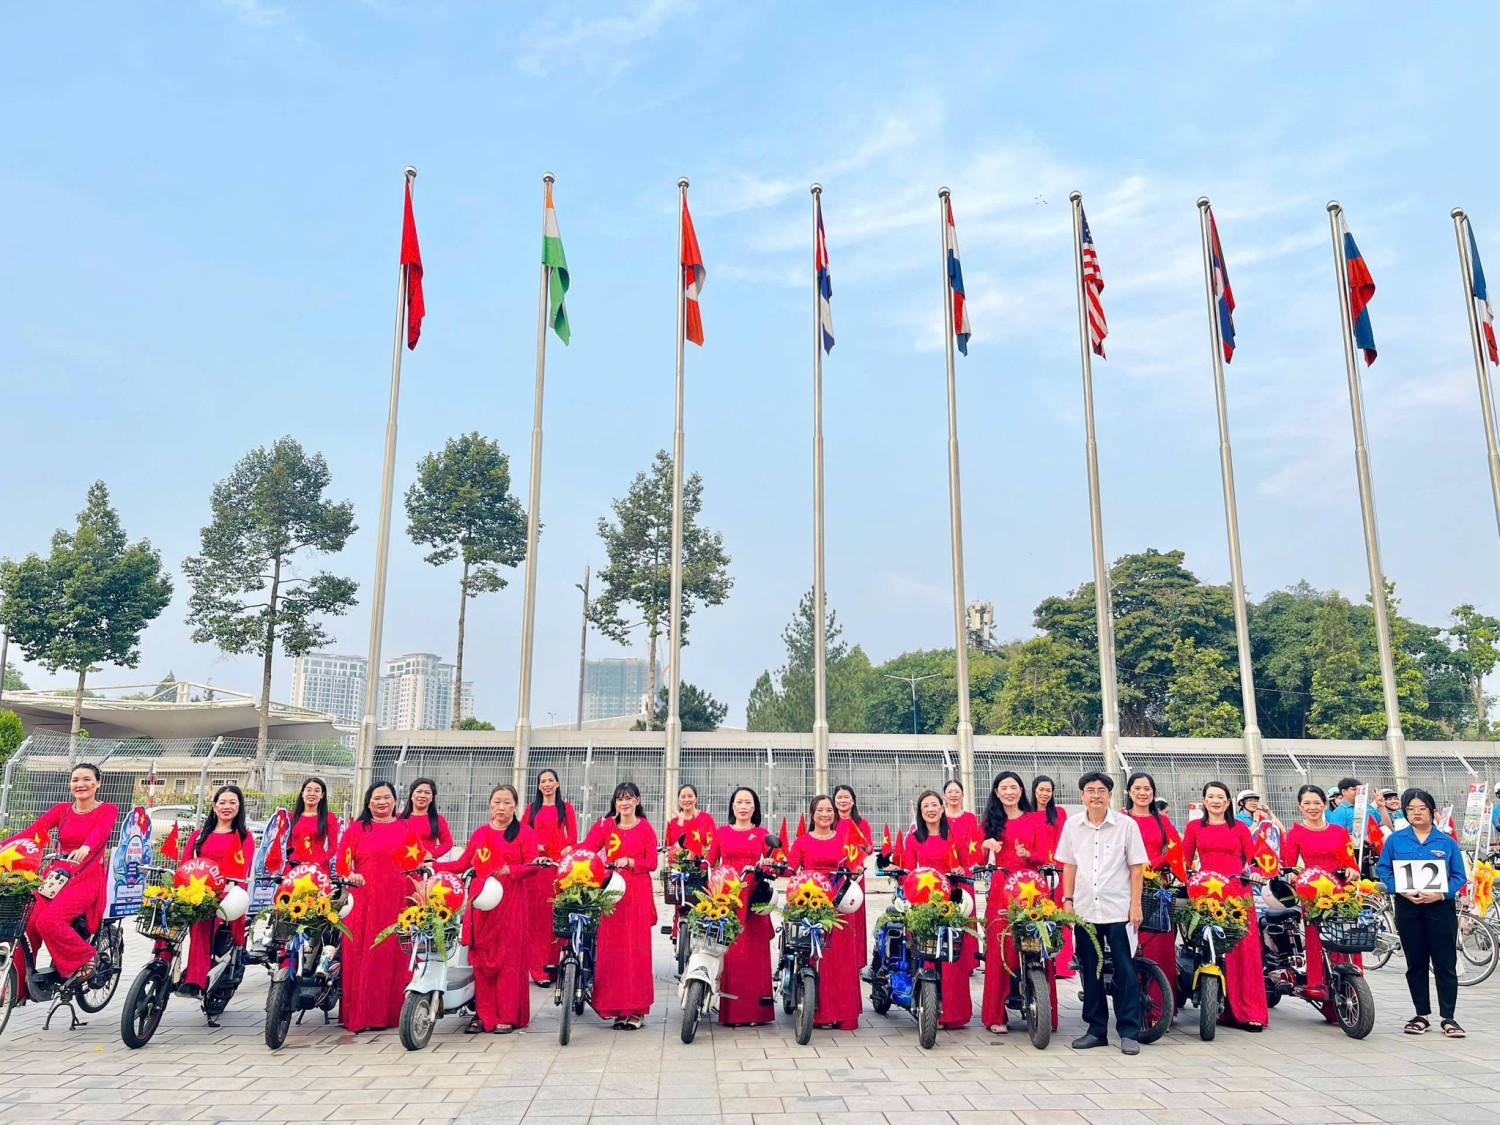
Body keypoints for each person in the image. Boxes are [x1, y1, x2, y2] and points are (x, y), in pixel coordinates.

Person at [435, 784, 541, 1033]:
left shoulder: (525, 833)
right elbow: (462, 864)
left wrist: (509, 870)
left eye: (507, 802)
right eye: (497, 802)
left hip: (511, 904)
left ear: (515, 806)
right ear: (490, 805)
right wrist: (433, 866)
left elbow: (533, 865)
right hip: (482, 905)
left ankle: (507, 1014)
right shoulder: (481, 833)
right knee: (482, 960)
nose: (501, 807)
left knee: (508, 960)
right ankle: (483, 1014)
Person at [3, 763, 119, 984]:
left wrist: (86, 847)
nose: (80, 784)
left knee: (49, 921)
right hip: (57, 876)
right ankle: (20, 985)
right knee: (28, 922)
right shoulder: (62, 810)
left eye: (86, 779)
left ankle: (84, 956)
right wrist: (3, 847)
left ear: (98, 783)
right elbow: (32, 832)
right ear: (70, 785)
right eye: (75, 780)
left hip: (87, 876)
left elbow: (100, 832)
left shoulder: (108, 809)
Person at [1057, 772, 1147, 1055]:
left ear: (1110, 795)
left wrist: (1136, 905)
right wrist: (1068, 900)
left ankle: (1129, 1032)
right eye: (1090, 790)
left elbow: (1136, 868)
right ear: (1081, 795)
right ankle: (1096, 1030)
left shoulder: (1127, 825)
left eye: (1101, 790)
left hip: (1119, 909)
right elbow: (1069, 865)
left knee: (1125, 969)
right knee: (1090, 969)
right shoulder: (1072, 826)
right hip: (1085, 910)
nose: (1096, 795)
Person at [1377, 788, 1468, 1038]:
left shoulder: (1446, 842)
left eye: (1422, 808)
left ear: (1432, 811)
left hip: (1440, 908)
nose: (1416, 813)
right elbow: (1384, 869)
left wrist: (1442, 894)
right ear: (1405, 812)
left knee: (1444, 963)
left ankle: (1448, 1017)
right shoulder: (1396, 840)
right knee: (1415, 962)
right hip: (1408, 908)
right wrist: (1400, 889)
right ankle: (1421, 1015)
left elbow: (1459, 875)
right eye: (1410, 809)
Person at [1181, 780, 1268, 1031]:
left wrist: (1256, 872)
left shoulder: (1239, 827)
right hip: (1206, 892)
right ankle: (1215, 1000)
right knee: (1209, 945)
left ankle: (1250, 1010)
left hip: (1237, 891)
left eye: (1221, 797)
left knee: (1244, 949)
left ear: (1228, 802)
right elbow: (1185, 860)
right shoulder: (1194, 827)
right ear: (1204, 801)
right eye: (1211, 796)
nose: (1216, 801)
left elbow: (1253, 859)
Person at [337, 781, 421, 1033]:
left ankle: (391, 1014)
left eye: (387, 797)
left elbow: (418, 861)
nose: (382, 802)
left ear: (395, 801)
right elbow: (342, 863)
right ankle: (360, 1015)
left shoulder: (406, 828)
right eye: (376, 798)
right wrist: (351, 874)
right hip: (364, 900)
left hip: (397, 900)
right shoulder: (357, 829)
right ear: (368, 802)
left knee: (393, 953)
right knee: (362, 953)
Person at [977, 771, 1053, 1034]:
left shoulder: (1034, 819)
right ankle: (995, 1015)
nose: (1009, 792)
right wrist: (985, 845)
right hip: (1002, 886)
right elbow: (977, 859)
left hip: (1031, 886)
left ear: (1021, 791)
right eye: (1004, 788)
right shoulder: (990, 822)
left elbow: (1044, 856)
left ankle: (1044, 1008)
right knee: (1000, 949)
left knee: (1036, 942)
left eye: (1014, 787)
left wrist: (1027, 854)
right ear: (996, 793)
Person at [1279, 784, 1361, 1022]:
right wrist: (1292, 876)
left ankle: (1351, 988)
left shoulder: (1339, 832)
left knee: (1345, 939)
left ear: (1325, 804)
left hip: (1341, 893)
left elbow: (1351, 863)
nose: (1312, 807)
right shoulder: (1295, 833)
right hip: (1313, 896)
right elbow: (1288, 866)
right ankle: (1318, 985)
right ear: (1300, 806)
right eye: (1307, 803)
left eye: (1317, 802)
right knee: (1317, 940)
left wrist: (1353, 871)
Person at [583, 782, 659, 1029]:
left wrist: (630, 861)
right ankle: (617, 1007)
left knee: (636, 950)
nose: (624, 803)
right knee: (612, 949)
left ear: (637, 801)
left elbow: (652, 862)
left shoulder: (645, 828)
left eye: (628, 798)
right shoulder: (605, 826)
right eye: (619, 799)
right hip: (612, 893)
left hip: (637, 893)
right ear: (614, 803)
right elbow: (588, 848)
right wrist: (570, 853)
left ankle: (637, 1010)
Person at [788, 795, 863, 1030]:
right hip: (811, 903)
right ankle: (819, 1011)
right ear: (812, 814)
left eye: (829, 810)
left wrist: (856, 870)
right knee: (817, 956)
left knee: (840, 958)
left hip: (839, 905)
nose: (825, 814)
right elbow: (791, 869)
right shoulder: (802, 842)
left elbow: (853, 866)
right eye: (820, 810)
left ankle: (843, 1012)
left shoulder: (844, 839)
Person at [178, 785, 252, 1015]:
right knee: (166, 916)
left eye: (232, 802)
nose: (226, 807)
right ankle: (161, 965)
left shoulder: (244, 837)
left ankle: (196, 979)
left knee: (202, 920)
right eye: (222, 802)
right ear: (214, 806)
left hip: (225, 895)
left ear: (239, 807)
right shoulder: (199, 836)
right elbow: (185, 864)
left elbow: (242, 869)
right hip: (194, 892)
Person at [902, 790, 971, 1029]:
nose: (931, 810)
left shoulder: (953, 835)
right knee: (927, 953)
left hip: (951, 901)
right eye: (925, 806)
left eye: (934, 805)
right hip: (923, 903)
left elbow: (966, 864)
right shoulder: (914, 839)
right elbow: (908, 872)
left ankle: (954, 1013)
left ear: (942, 809)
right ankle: (929, 1008)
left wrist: (961, 870)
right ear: (920, 812)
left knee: (951, 956)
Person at [705, 787, 774, 1026]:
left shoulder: (762, 834)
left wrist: (769, 863)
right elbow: (709, 861)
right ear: (732, 806)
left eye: (748, 803)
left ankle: (757, 1013)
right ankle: (733, 1012)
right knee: (732, 953)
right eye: (739, 802)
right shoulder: (721, 832)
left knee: (755, 954)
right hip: (726, 898)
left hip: (754, 897)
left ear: (755, 808)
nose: (744, 807)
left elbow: (776, 863)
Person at [1124, 771, 1181, 1012]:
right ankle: (1132, 1006)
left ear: (1153, 793)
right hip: (1126, 885)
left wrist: (1154, 863)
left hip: (1157, 887)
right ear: (1129, 792)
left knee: (1159, 946)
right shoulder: (1122, 818)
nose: (1142, 793)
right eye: (1137, 788)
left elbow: (1177, 851)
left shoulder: (1162, 821)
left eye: (1147, 789)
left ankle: (1161, 1007)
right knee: (1130, 945)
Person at [520, 768, 577, 985]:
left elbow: (572, 837)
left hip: (557, 868)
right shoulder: (530, 809)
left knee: (556, 916)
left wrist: (565, 848)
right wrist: (535, 847)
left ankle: (554, 966)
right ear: (538, 786)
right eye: (543, 781)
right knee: (537, 919)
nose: (547, 784)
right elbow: (523, 834)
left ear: (557, 784)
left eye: (550, 780)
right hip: (537, 870)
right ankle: (537, 969)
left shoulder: (566, 808)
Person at [1032, 775, 1073, 978]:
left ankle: (1063, 964)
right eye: (1041, 790)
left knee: (1059, 915)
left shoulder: (1059, 813)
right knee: (1036, 914)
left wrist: (1055, 866)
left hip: (1055, 870)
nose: (1044, 794)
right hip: (1034, 869)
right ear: (1034, 791)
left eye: (1048, 790)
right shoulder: (1027, 814)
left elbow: (1063, 841)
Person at [832, 784, 873, 969]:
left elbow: (869, 848)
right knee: (836, 916)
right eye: (839, 797)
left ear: (853, 800)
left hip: (856, 875)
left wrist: (864, 850)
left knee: (854, 916)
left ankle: (855, 960)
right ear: (834, 801)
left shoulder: (861, 823)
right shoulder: (830, 822)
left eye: (846, 797)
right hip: (836, 876)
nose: (843, 801)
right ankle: (836, 957)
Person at [286, 777, 339, 872]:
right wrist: (293, 860)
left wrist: (317, 863)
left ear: (322, 795)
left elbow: (333, 848)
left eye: (317, 791)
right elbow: (287, 845)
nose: (312, 794)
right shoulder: (290, 817)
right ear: (302, 793)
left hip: (318, 869)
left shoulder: (329, 817)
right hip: (294, 868)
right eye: (308, 790)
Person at [399, 777, 453, 861]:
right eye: (419, 791)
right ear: (411, 795)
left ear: (432, 798)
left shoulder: (439, 819)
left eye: (427, 793)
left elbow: (447, 843)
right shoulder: (398, 818)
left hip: (426, 865)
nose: (422, 795)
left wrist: (432, 854)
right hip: (401, 865)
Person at [666, 784, 715, 858]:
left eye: (690, 796)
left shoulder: (706, 819)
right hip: (678, 864)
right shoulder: (673, 823)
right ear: (679, 800)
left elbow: (713, 846)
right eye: (683, 797)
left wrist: (696, 853)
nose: (686, 800)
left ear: (696, 799)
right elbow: (669, 849)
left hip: (701, 863)